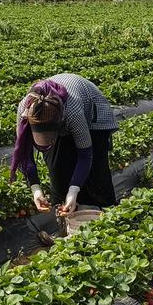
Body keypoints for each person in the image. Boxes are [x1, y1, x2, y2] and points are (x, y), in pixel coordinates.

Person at [11, 74, 119, 220]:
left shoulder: (72, 112)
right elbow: (25, 155)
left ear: (60, 125)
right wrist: (36, 190)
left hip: (94, 114)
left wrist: (73, 191)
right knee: (57, 168)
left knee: (96, 172)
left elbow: (85, 155)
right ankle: (68, 220)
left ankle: (107, 216)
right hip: (61, 112)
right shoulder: (25, 110)